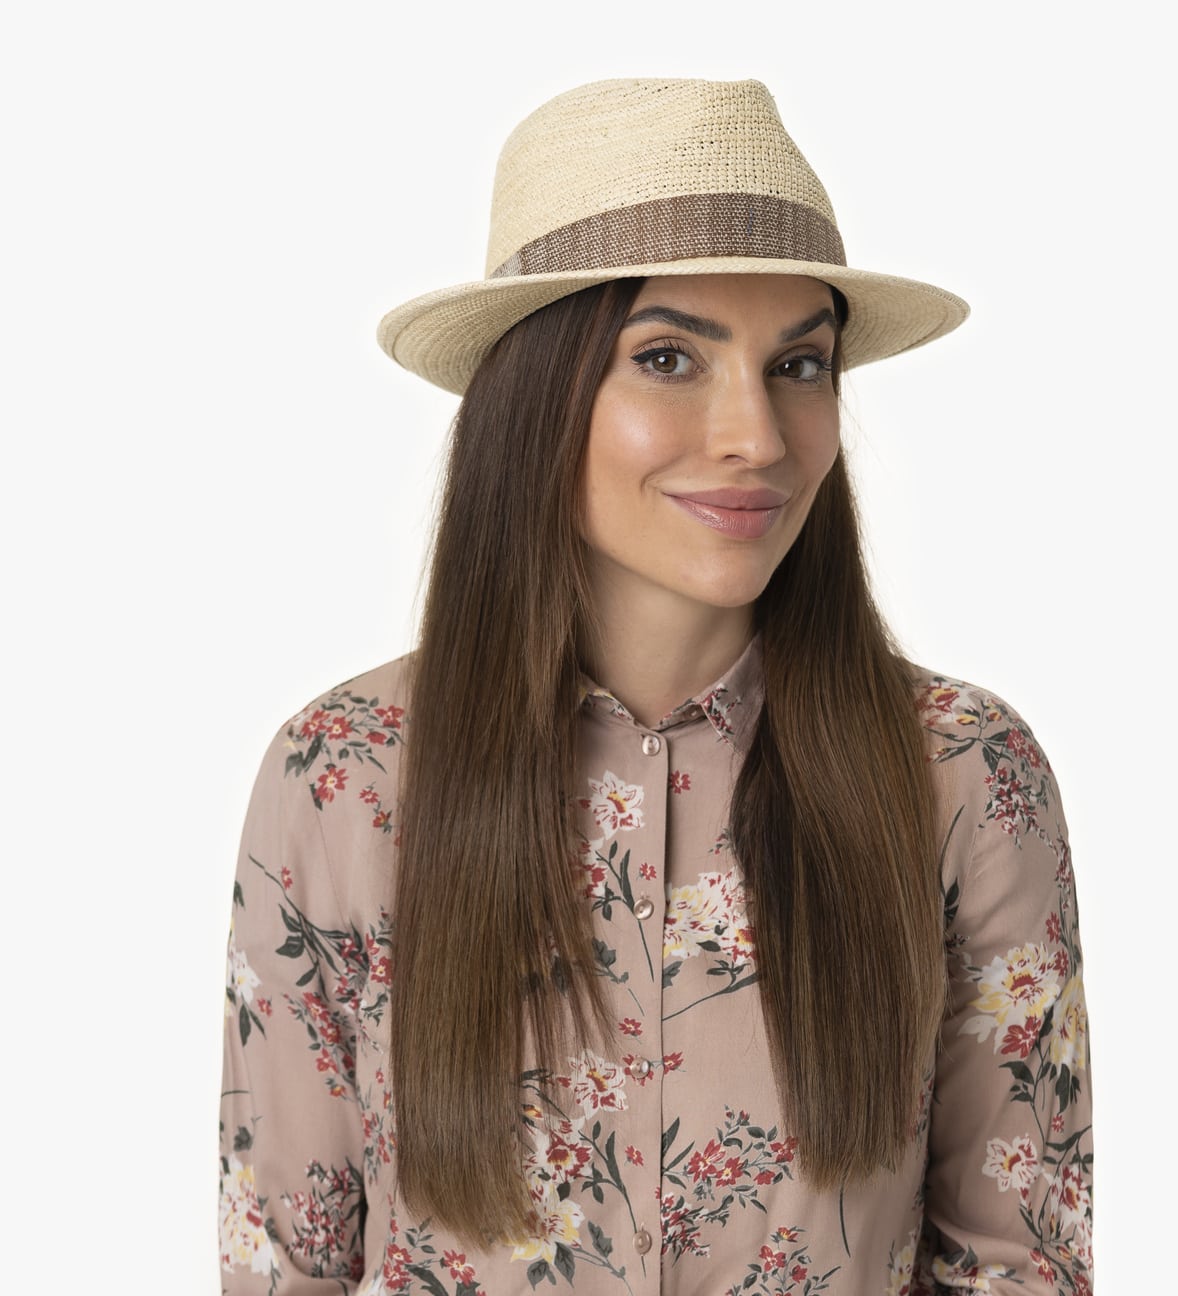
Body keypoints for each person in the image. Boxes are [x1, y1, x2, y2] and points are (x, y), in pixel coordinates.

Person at [219, 78, 1093, 1295]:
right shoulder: (347, 776)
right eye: (670, 357)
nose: (758, 436)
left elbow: (1018, 1265)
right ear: (537, 395)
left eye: (800, 364)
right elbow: (285, 1265)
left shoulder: (962, 776)